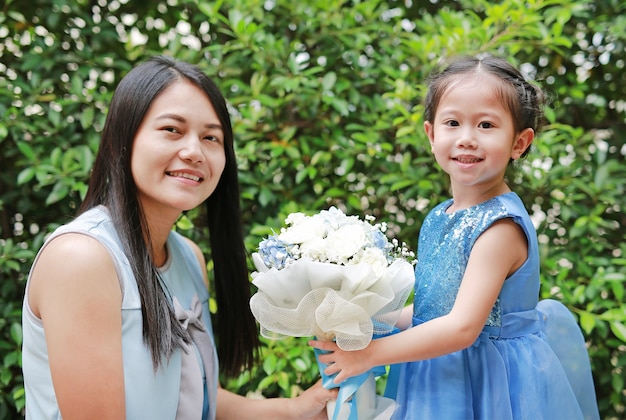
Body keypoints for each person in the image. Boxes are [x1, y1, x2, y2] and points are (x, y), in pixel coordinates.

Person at [22, 55, 336, 419]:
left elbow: (193, 401)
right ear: (124, 138)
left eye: (210, 137)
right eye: (172, 129)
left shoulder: (188, 257)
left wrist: (297, 409)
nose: (193, 152)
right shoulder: (82, 259)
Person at [311, 55, 599, 419]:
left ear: (519, 142)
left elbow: (462, 326)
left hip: (487, 382)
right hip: (439, 370)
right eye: (452, 122)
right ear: (432, 135)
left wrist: (368, 355)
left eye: (486, 125)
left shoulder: (500, 228)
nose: (467, 139)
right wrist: (370, 320)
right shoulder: (439, 216)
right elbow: (437, 309)